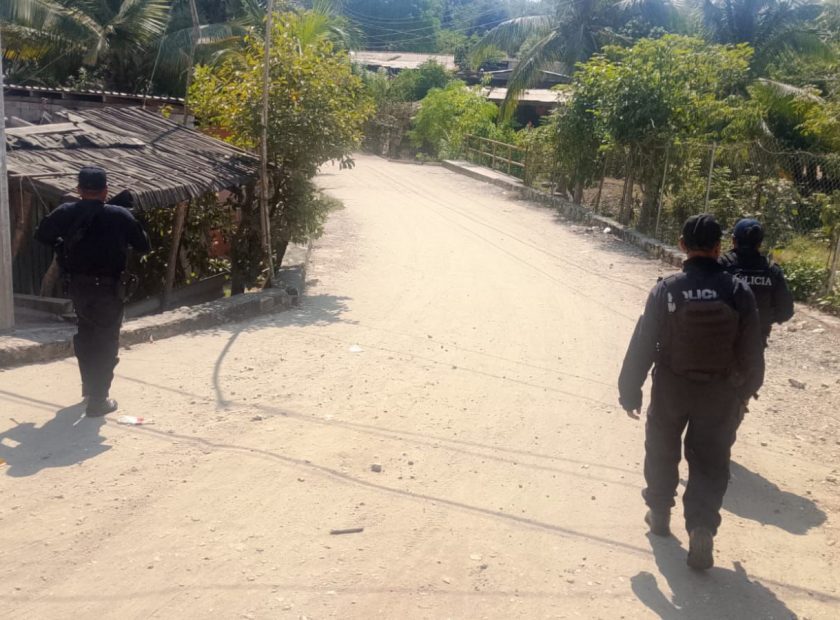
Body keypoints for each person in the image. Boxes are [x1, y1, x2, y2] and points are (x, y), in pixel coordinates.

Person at [618, 214, 765, 570]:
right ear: (718, 247)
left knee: (661, 447)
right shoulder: (737, 291)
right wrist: (744, 393)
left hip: (671, 386)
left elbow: (643, 342)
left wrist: (630, 390)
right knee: (711, 461)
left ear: (682, 245)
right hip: (719, 391)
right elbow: (752, 351)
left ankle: (659, 512)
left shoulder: (667, 289)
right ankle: (701, 527)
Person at [35, 166, 150, 417]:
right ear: (105, 190)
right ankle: (98, 400)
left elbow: (42, 234)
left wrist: (62, 246)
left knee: (86, 336)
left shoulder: (66, 212)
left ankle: (89, 388)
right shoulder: (119, 215)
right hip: (109, 289)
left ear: (79, 190)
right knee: (106, 340)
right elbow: (143, 245)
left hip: (78, 288)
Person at [720, 218, 795, 347]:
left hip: (725, 339)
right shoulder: (772, 270)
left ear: (733, 240)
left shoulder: (721, 265)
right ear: (760, 243)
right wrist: (763, 319)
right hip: (756, 341)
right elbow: (786, 311)